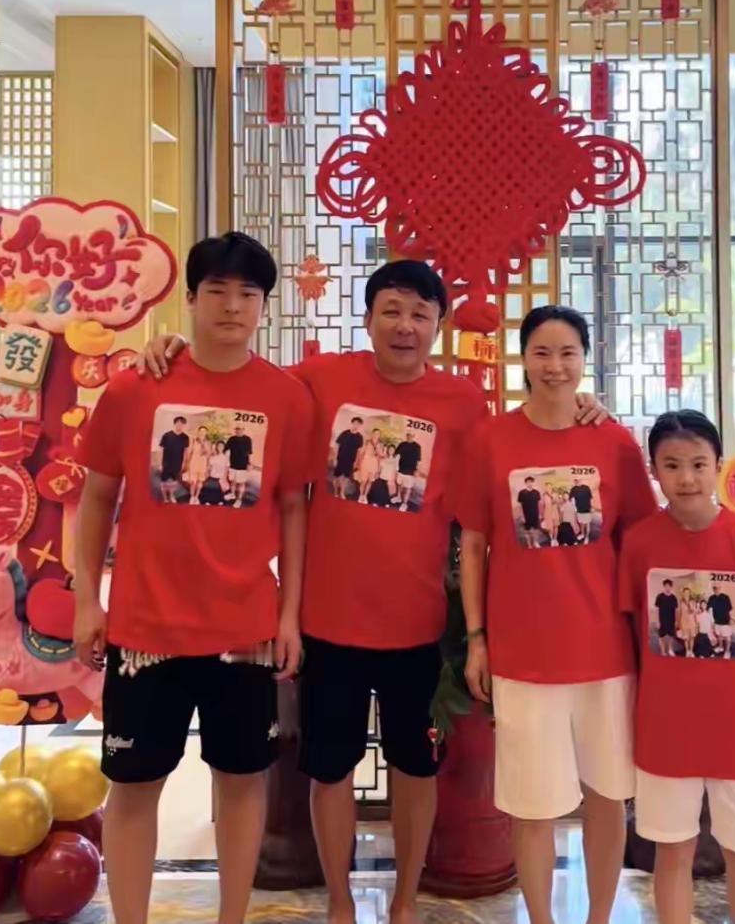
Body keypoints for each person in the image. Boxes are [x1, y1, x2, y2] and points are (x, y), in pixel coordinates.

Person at [138, 260, 611, 924]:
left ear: (438, 325)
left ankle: (404, 900)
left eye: (420, 313)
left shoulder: (463, 403)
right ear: (367, 318)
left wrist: (584, 406)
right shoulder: (320, 380)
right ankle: (339, 901)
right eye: (391, 310)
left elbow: (515, 456)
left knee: (416, 768)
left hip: (418, 627)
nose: (404, 325)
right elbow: (239, 377)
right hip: (327, 622)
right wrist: (177, 345)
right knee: (329, 770)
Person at [74, 232, 312, 924]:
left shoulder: (286, 397)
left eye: (248, 293)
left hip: (246, 630)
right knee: (133, 785)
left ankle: (232, 916)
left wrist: (289, 615)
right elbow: (96, 496)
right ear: (191, 298)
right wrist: (88, 598)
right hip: (145, 626)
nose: (232, 306)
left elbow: (293, 508)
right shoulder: (134, 388)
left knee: (241, 781)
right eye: (217, 290)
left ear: (264, 305)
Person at [459, 306, 656, 924]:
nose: (555, 366)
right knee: (532, 806)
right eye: (541, 352)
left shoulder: (613, 442)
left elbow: (642, 543)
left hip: (605, 651)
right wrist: (477, 638)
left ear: (584, 359)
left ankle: (599, 916)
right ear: (523, 359)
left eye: (568, 352)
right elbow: (473, 544)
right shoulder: (491, 439)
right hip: (523, 655)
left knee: (607, 797)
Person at [619, 410, 735, 924]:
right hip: (666, 732)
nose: (687, 478)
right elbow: (635, 632)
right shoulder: (640, 543)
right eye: (672, 465)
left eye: (698, 463)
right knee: (672, 852)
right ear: (654, 470)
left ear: (718, 464)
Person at [157, 416, 189, 504]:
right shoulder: (166, 435)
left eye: (182, 424)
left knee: (174, 481)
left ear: (184, 425)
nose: (180, 425)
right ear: (174, 424)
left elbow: (185, 451)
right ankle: (165, 497)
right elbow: (161, 450)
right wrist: (160, 463)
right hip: (166, 462)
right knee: (164, 481)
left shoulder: (185, 437)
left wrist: (184, 463)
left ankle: (171, 495)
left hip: (177, 463)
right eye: (178, 423)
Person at [333, 417, 364, 499]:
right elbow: (337, 445)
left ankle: (342, 492)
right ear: (352, 423)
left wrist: (357, 462)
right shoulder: (344, 433)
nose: (356, 425)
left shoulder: (360, 437)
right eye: (355, 423)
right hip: (340, 459)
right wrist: (335, 458)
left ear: (360, 426)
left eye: (358, 424)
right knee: (336, 476)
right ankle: (335, 492)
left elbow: (359, 451)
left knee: (346, 477)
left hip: (350, 460)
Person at [224, 422, 254, 508]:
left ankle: (239, 499)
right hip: (233, 465)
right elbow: (226, 450)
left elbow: (250, 452)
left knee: (241, 483)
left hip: (243, 466)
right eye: (237, 429)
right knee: (233, 481)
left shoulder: (248, 439)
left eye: (240, 429)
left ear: (243, 430)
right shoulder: (231, 439)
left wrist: (250, 463)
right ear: (235, 430)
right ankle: (232, 494)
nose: (239, 430)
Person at [394, 429, 422, 510]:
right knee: (399, 484)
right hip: (400, 470)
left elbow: (418, 460)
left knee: (408, 488)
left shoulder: (417, 446)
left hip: (411, 471)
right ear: (406, 436)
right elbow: (396, 454)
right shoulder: (402, 444)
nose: (409, 437)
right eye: (408, 435)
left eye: (411, 435)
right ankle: (398, 497)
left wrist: (417, 470)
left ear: (414, 436)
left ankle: (404, 503)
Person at [186, 424, 212, 505]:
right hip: (193, 463)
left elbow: (209, 455)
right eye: (201, 431)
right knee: (193, 482)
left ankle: (196, 497)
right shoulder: (194, 440)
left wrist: (208, 466)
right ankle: (192, 497)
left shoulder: (208, 442)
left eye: (204, 431)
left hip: (203, 464)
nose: (202, 432)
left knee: (200, 482)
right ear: (198, 432)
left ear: (206, 433)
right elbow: (189, 452)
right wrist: (187, 463)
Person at [356, 428, 383, 505]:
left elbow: (381, 456)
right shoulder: (367, 442)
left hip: (374, 464)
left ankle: (365, 496)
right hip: (365, 462)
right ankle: (360, 495)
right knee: (363, 481)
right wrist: (358, 463)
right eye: (375, 433)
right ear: (372, 434)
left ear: (379, 435)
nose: (376, 435)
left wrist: (379, 468)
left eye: (378, 434)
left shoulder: (380, 444)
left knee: (370, 481)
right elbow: (361, 452)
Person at [708, 582, 734, 659]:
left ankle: (727, 651)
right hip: (716, 621)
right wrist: (711, 622)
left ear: (720, 588)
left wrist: (731, 619)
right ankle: (720, 647)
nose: (716, 589)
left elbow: (730, 609)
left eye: (717, 588)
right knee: (719, 635)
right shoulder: (711, 598)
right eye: (714, 588)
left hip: (725, 621)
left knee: (727, 637)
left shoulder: (726, 597)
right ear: (713, 589)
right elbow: (709, 609)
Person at [516, 475, 543, 548]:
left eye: (531, 482)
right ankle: (529, 544)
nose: (530, 483)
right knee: (527, 530)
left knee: (535, 529)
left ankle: (535, 542)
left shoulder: (536, 492)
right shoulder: (522, 493)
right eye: (528, 482)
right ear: (525, 483)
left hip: (535, 513)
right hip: (526, 514)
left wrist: (540, 514)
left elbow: (538, 504)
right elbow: (520, 506)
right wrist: (522, 516)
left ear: (533, 483)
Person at [654, 579, 679, 657]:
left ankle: (670, 649)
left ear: (671, 587)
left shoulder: (673, 597)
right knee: (662, 636)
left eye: (669, 586)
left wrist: (676, 620)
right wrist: (657, 621)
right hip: (662, 620)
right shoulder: (659, 596)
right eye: (666, 586)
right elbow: (657, 609)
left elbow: (676, 610)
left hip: (671, 620)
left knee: (671, 635)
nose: (667, 588)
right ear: (664, 587)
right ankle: (663, 651)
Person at [202, 440, 231, 506]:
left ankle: (220, 500)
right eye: (219, 446)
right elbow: (209, 468)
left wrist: (224, 479)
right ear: (217, 447)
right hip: (212, 476)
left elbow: (226, 469)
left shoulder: (226, 458)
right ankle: (208, 500)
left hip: (221, 477)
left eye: (221, 446)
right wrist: (206, 475)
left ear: (224, 447)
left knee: (221, 487)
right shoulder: (213, 457)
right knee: (209, 485)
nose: (220, 447)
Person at [569, 478, 595, 543]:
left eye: (578, 479)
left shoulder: (586, 487)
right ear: (574, 481)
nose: (577, 481)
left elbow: (591, 498)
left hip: (587, 509)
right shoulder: (573, 489)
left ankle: (587, 537)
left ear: (581, 480)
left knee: (587, 524)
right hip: (579, 509)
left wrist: (592, 507)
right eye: (576, 480)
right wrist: (574, 508)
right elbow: (572, 499)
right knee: (581, 523)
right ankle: (582, 534)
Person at [677, 588, 699, 659]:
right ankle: (687, 651)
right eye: (685, 592)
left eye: (688, 592)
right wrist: (678, 623)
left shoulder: (693, 601)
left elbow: (695, 613)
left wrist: (696, 622)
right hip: (684, 622)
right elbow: (679, 613)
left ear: (690, 593)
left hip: (692, 622)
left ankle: (691, 651)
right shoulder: (681, 602)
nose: (686, 594)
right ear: (683, 594)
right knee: (686, 638)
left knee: (692, 637)